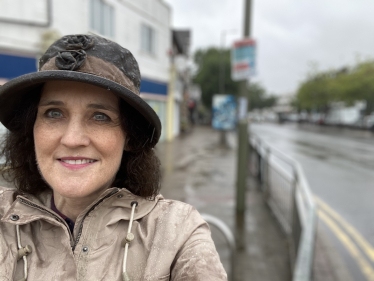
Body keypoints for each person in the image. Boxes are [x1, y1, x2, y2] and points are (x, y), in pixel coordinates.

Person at [0, 34, 227, 281]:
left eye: (100, 116)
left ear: (129, 136)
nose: (72, 139)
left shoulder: (177, 232)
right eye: (54, 113)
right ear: (32, 128)